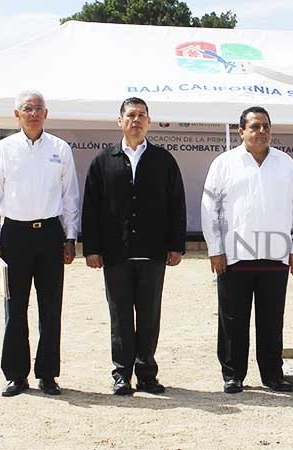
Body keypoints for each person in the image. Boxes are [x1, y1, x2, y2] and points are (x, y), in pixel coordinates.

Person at [82, 97, 186, 396]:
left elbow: (177, 204)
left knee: (150, 314)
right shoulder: (103, 161)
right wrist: (92, 248)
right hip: (116, 254)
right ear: (120, 121)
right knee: (120, 315)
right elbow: (91, 207)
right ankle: (121, 374)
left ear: (149, 122)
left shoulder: (163, 160)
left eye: (142, 115)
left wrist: (176, 245)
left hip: (153, 253)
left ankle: (147, 373)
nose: (136, 120)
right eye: (130, 115)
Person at [201, 106, 293, 394]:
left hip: (276, 254)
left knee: (271, 317)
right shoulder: (224, 164)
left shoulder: (285, 164)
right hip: (235, 255)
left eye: (266, 127)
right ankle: (233, 374)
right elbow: (210, 209)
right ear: (241, 131)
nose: (261, 132)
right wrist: (215, 249)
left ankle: (273, 374)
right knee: (233, 317)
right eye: (255, 126)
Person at [0, 90, 80, 397]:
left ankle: (48, 374)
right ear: (17, 114)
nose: (34, 113)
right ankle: (15, 375)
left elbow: (70, 197)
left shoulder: (60, 149)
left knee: (50, 308)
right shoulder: (3, 149)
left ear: (46, 113)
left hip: (50, 234)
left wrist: (70, 236)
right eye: (28, 108)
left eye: (39, 108)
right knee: (14, 307)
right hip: (14, 236)